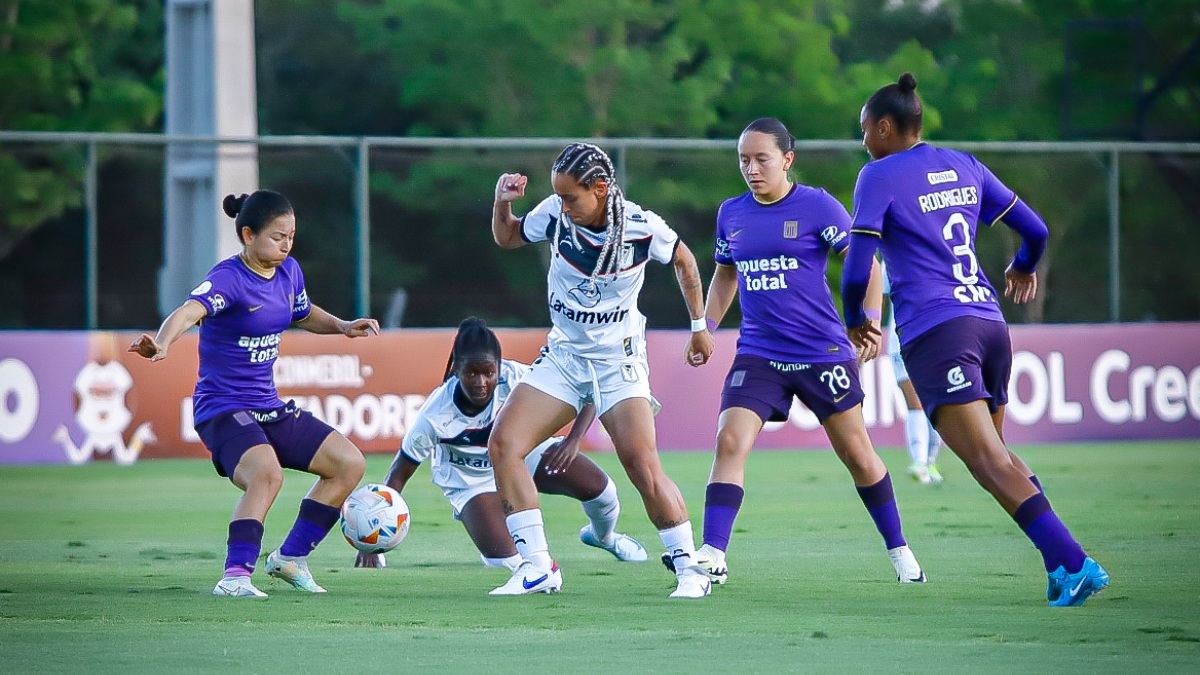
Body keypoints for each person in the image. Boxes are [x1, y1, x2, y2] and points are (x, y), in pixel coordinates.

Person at [841, 73, 1110, 607]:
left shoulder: (878, 175)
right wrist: (1022, 266)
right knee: (999, 459)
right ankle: (1061, 566)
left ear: (887, 128)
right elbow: (1035, 231)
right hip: (990, 325)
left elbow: (856, 267)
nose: (863, 141)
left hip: (939, 333)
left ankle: (1076, 562)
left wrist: (856, 318)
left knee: (988, 462)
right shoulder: (964, 164)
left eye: (865, 130)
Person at [669, 118, 926, 587]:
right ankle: (712, 552)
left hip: (822, 352)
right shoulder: (732, 212)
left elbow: (866, 265)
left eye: (761, 159)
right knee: (729, 440)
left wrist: (867, 320)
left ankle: (900, 551)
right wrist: (705, 326)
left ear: (787, 160)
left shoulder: (818, 206)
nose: (751, 168)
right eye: (743, 160)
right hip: (759, 352)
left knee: (857, 454)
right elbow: (727, 272)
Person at [488, 142, 714, 598]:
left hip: (620, 360)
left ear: (600, 187)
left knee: (640, 462)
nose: (563, 205)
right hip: (565, 356)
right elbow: (509, 237)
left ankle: (691, 570)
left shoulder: (642, 226)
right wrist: (501, 202)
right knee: (504, 443)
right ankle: (537, 567)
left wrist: (699, 326)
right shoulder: (554, 213)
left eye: (571, 196)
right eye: (559, 196)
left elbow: (686, 261)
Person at [129, 190, 378, 598]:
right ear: (248, 234)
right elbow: (189, 311)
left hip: (267, 406)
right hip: (222, 408)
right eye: (278, 236)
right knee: (267, 475)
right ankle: (235, 577)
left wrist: (342, 325)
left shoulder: (289, 271)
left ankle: (290, 558)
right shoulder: (229, 277)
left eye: (291, 236)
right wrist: (162, 343)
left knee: (348, 464)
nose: (286, 244)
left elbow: (302, 312)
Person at [354, 317, 647, 571]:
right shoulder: (435, 413)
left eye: (488, 372)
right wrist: (373, 544)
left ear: (499, 367)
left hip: (522, 455)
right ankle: (496, 542)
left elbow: (589, 389)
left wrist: (572, 441)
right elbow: (398, 474)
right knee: (509, 562)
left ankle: (604, 538)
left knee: (604, 493)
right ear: (456, 369)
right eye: (471, 373)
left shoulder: (519, 377)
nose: (481, 381)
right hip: (470, 480)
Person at [882, 264, 944, 484]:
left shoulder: (933, 249)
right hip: (900, 340)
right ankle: (918, 463)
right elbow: (880, 292)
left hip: (934, 337)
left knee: (935, 402)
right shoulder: (889, 256)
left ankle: (930, 461)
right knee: (914, 400)